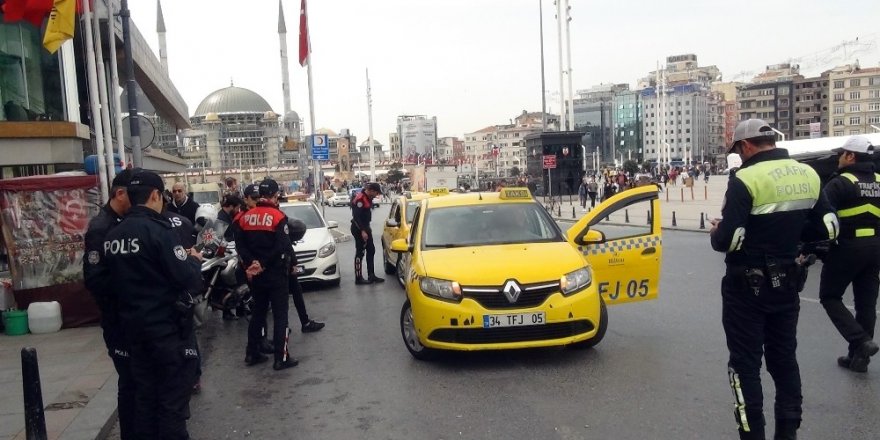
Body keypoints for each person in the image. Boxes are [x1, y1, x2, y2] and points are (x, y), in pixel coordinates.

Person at [709, 119, 838, 440]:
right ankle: (787, 434)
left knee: (745, 367)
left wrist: (716, 231)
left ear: (747, 146)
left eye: (738, 150)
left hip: (746, 287)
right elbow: (829, 228)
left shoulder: (745, 178)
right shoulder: (807, 173)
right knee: (784, 361)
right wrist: (792, 238)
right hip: (788, 284)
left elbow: (731, 238)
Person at [102, 171, 204, 440]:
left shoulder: (113, 235)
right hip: (166, 333)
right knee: (172, 405)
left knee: (145, 403)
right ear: (156, 195)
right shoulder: (161, 232)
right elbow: (191, 280)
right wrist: (193, 259)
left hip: (134, 332)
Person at [819, 136, 880, 373]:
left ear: (851, 156)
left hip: (846, 247)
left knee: (830, 297)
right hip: (875, 248)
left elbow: (822, 216)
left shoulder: (840, 183)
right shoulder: (879, 181)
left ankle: (860, 341)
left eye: (842, 153)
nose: (839, 157)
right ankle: (858, 359)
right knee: (866, 304)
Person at [83, 168, 136, 439]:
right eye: (132, 196)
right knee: (129, 382)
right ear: (119, 194)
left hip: (131, 317)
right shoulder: (102, 227)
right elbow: (95, 278)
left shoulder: (121, 223)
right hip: (118, 318)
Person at [235, 178, 298, 371]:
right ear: (275, 195)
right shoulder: (278, 216)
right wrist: (263, 263)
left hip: (255, 275)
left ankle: (251, 353)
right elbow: (283, 246)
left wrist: (251, 264)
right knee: (280, 317)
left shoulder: (243, 218)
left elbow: (240, 245)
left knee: (258, 314)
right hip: (275, 273)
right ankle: (281, 358)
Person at [287, 218, 325, 333]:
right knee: (281, 298)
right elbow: (285, 246)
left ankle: (303, 322)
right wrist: (293, 263)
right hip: (279, 266)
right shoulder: (275, 218)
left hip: (278, 265)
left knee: (295, 292)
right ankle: (285, 327)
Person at [351, 182, 385, 285]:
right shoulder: (360, 199)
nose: (376, 195)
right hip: (358, 228)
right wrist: (363, 231)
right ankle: (358, 278)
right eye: (376, 193)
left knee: (371, 250)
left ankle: (371, 275)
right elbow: (356, 217)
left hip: (366, 227)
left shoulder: (367, 198)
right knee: (360, 252)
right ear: (371, 191)